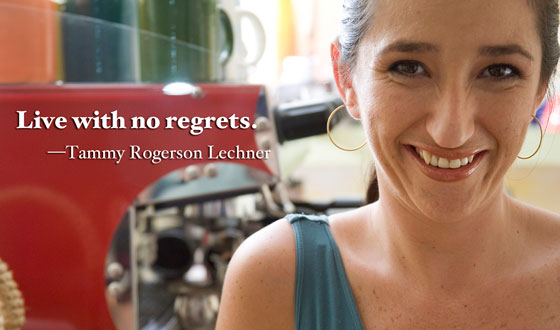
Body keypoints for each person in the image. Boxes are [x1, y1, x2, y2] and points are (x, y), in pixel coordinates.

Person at [216, 0, 560, 329]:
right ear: (346, 79)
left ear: (539, 89)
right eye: (408, 67)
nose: (451, 132)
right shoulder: (273, 279)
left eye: (499, 72)